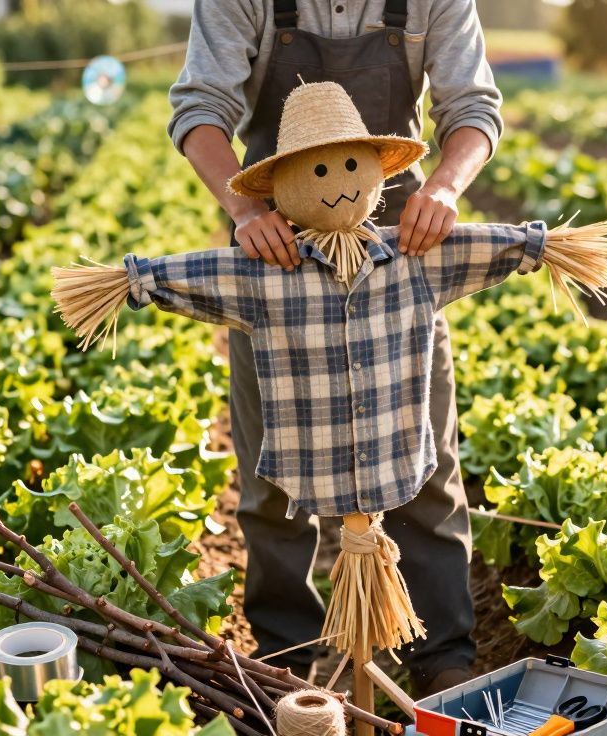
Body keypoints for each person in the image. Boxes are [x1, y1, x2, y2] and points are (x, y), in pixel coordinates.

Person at [168, 0, 502, 695]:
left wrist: (442, 187)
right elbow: (200, 109)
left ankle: (440, 655)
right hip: (278, 254)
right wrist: (247, 212)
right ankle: (289, 660)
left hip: (401, 251)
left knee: (425, 461)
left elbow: (472, 107)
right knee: (271, 476)